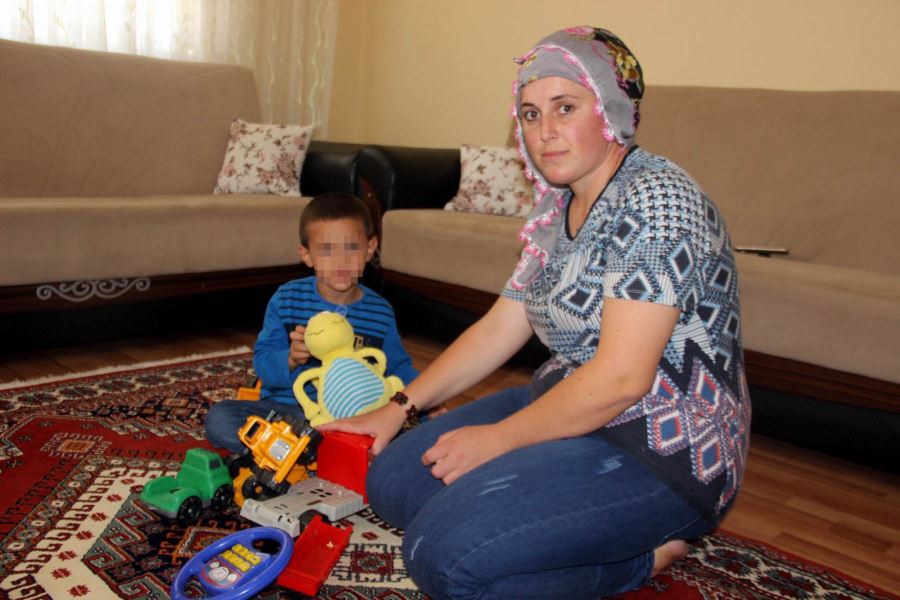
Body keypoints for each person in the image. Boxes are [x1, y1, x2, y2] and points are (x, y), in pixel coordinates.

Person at [319, 27, 751, 599]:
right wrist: (396, 407)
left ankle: (642, 560)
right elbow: (501, 325)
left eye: (565, 108)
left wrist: (499, 440)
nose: (544, 132)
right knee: (393, 483)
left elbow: (623, 379)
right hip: (568, 402)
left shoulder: (658, 200)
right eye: (529, 114)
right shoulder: (557, 205)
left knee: (443, 558)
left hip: (662, 450)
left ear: (610, 109)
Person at [205, 193, 418, 454]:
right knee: (220, 417)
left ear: (370, 248)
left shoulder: (380, 311)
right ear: (307, 255)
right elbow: (264, 363)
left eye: (351, 247)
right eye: (327, 250)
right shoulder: (287, 299)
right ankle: (308, 451)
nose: (340, 260)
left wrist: (425, 404)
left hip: (354, 417)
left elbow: (399, 369)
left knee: (415, 430)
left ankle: (301, 452)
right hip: (289, 411)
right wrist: (291, 359)